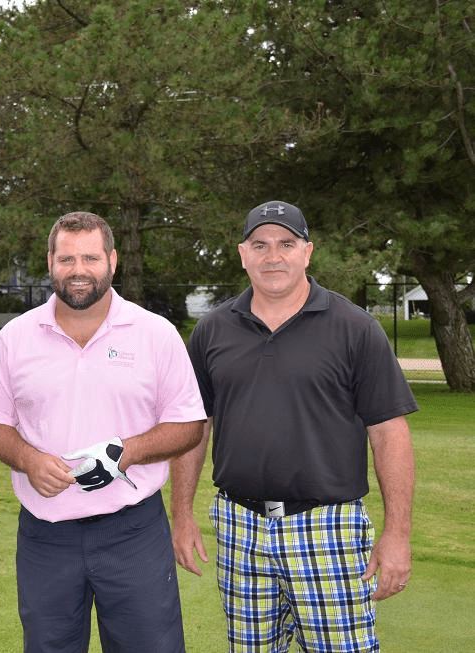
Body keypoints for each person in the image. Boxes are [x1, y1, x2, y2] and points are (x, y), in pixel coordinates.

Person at [171, 200, 418, 652]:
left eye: (287, 243)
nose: (273, 256)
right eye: (259, 245)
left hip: (328, 526)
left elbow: (390, 434)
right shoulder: (212, 330)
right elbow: (194, 428)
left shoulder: (356, 328)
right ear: (242, 254)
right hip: (239, 524)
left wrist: (397, 534)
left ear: (308, 252)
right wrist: (181, 514)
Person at [0, 211, 206, 653]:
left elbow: (189, 424)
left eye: (90, 258)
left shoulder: (155, 333)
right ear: (50, 262)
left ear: (112, 260)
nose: (78, 270)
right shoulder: (16, 337)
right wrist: (28, 460)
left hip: (133, 531)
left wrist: (128, 451)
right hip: (46, 534)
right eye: (67, 259)